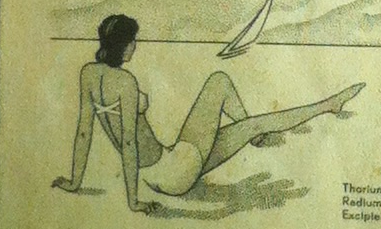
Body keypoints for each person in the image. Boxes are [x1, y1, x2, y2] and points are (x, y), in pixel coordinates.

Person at [52, 13, 363, 213]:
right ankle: (327, 105)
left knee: (223, 88)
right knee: (241, 109)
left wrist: (75, 182)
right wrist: (133, 203)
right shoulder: (126, 82)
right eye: (133, 41)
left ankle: (265, 131)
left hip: (156, 174)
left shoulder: (88, 74)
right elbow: (130, 144)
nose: (135, 45)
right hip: (174, 172)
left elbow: (84, 131)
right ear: (122, 45)